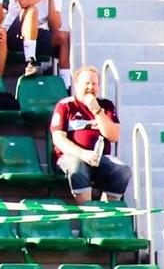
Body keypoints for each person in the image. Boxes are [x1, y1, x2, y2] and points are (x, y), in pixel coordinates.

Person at [50, 66, 129, 203]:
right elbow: (58, 139)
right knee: (77, 167)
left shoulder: (106, 105)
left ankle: (108, 208)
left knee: (122, 171)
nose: (90, 87)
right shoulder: (65, 105)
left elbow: (114, 136)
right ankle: (88, 211)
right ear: (76, 85)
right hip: (72, 156)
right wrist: (82, 154)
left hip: (100, 158)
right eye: (86, 83)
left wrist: (97, 111)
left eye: (94, 84)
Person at [7, 0, 70, 79]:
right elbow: (23, 2)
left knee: (64, 37)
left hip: (34, 34)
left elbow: (55, 26)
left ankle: (66, 82)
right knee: (31, 10)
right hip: (12, 34)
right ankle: (30, 62)